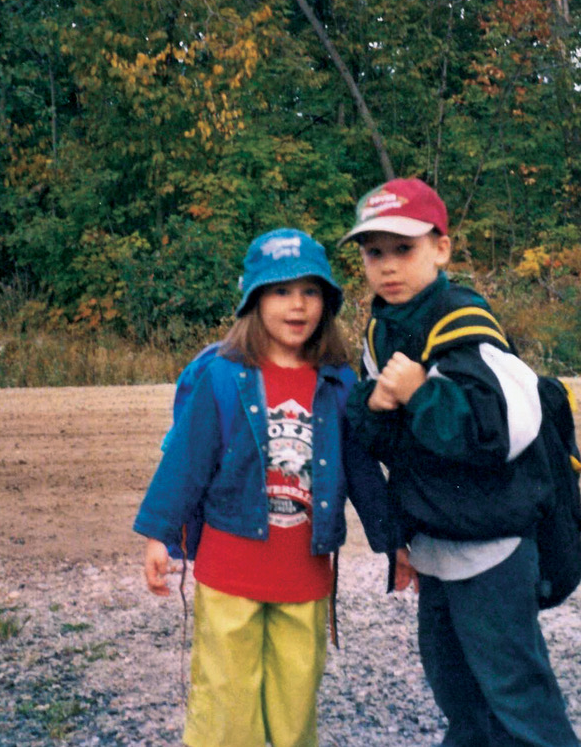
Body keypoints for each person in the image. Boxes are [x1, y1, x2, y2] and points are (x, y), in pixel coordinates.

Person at [341, 178, 581, 747]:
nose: (389, 266)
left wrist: (421, 392)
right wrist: (375, 404)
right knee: (458, 691)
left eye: (405, 248)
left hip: (492, 546)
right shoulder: (383, 329)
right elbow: (382, 441)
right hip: (437, 544)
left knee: (518, 695)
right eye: (375, 252)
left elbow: (493, 434)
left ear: (442, 248)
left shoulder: (464, 323)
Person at [133, 228, 395, 747]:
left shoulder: (339, 384)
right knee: (227, 710)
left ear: (327, 301)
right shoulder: (222, 377)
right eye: (280, 291)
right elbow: (187, 460)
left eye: (310, 291)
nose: (297, 306)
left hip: (305, 577)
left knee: (295, 712)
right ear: (254, 300)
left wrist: (395, 543)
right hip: (229, 571)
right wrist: (158, 534)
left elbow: (363, 472)